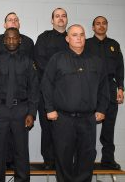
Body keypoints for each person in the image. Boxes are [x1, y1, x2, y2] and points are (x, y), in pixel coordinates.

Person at [41, 24, 109, 182]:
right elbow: (46, 84)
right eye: (74, 35)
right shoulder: (57, 59)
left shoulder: (96, 61)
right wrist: (49, 108)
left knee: (86, 159)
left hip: (88, 120)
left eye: (82, 35)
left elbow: (104, 88)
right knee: (63, 159)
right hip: (63, 119)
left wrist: (102, 109)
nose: (79, 38)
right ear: (67, 38)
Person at [0, 27, 39, 182]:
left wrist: (31, 113)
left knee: (21, 151)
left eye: (14, 38)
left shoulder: (29, 63)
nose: (11, 41)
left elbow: (34, 90)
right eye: (8, 38)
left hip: (21, 110)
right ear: (4, 41)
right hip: (0, 110)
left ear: (19, 40)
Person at [85, 16, 124, 170]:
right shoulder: (86, 44)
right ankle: (87, 160)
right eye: (98, 24)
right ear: (93, 27)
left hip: (109, 86)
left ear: (107, 26)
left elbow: (120, 68)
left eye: (104, 23)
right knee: (88, 127)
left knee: (109, 126)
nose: (101, 26)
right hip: (91, 87)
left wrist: (120, 87)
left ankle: (108, 159)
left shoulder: (114, 45)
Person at [33, 7, 68, 170]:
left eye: (63, 16)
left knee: (66, 128)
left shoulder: (73, 38)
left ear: (66, 20)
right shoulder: (43, 38)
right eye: (57, 16)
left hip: (69, 93)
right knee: (47, 127)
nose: (60, 19)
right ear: (52, 20)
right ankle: (49, 160)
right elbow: (40, 62)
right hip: (47, 91)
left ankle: (64, 160)